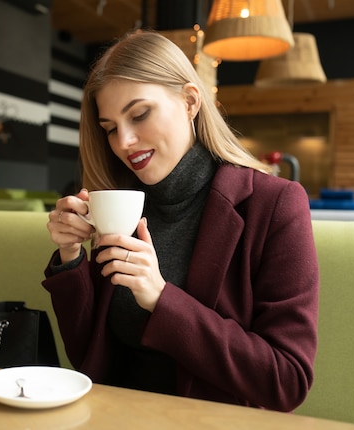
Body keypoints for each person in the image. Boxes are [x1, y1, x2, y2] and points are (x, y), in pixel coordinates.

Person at [43, 30, 319, 412]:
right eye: (109, 128)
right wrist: (71, 256)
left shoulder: (274, 204)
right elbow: (88, 357)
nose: (123, 141)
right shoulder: (121, 205)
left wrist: (160, 298)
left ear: (190, 101)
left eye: (139, 114)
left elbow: (286, 381)